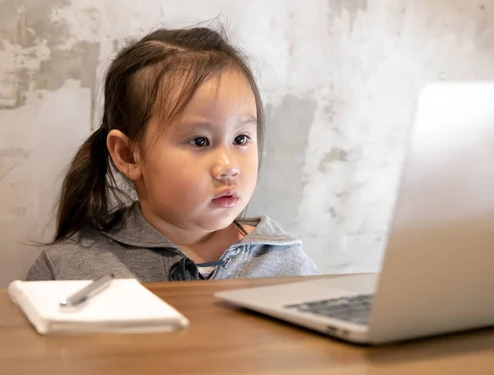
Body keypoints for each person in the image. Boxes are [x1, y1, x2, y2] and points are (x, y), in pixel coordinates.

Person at [26, 26, 320, 281]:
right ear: (128, 155)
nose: (228, 167)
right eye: (200, 141)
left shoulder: (287, 266)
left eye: (241, 138)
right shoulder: (70, 269)